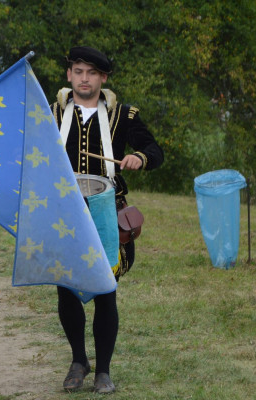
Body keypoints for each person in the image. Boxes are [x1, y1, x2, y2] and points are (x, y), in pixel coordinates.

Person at [50, 46, 164, 394]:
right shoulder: (51, 112)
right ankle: (78, 360)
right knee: (67, 290)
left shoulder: (123, 115)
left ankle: (104, 370)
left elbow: (155, 151)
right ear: (69, 75)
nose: (85, 78)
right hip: (64, 214)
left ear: (103, 78)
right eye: (78, 71)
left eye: (92, 73)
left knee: (105, 290)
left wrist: (139, 158)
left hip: (106, 211)